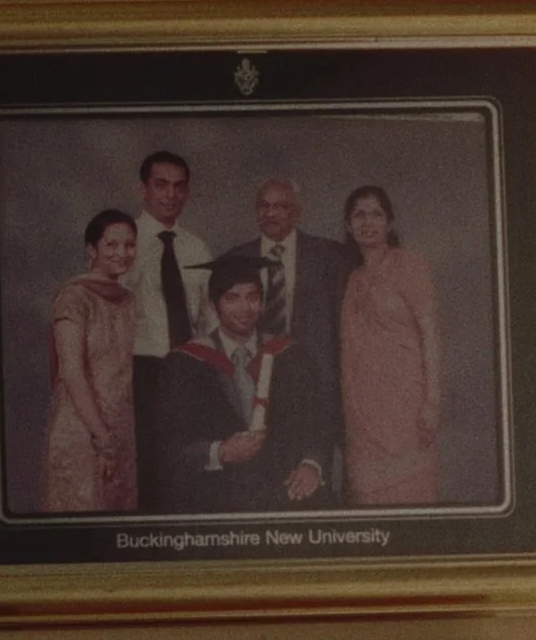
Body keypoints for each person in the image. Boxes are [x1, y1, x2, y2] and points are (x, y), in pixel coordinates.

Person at [137, 251, 331, 514]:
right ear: (213, 305)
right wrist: (221, 451)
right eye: (232, 298)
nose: (245, 309)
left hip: (284, 490)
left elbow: (317, 423)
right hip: (214, 495)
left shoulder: (290, 355)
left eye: (253, 297)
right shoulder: (184, 363)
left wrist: (311, 464)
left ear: (263, 303)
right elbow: (166, 443)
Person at [221, 179, 357, 490]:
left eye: (280, 206)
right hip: (257, 383)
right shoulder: (235, 258)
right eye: (263, 206)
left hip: (321, 383)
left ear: (296, 213)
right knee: (262, 477)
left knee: (324, 476)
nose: (270, 213)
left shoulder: (330, 256)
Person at [338, 184, 444, 506]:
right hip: (362, 413)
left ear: (390, 222)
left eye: (376, 214)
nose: (367, 222)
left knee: (411, 502)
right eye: (358, 215)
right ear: (347, 225)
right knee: (368, 506)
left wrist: (432, 402)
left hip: (405, 407)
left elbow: (430, 333)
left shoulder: (410, 265)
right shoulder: (352, 277)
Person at [122, 151, 212, 494]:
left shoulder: (196, 248)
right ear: (142, 189)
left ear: (187, 192)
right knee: (148, 467)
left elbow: (207, 318)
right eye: (161, 185)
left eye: (179, 187)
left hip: (188, 369)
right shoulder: (125, 244)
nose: (170, 195)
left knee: (187, 466)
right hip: (141, 369)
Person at [40, 210, 140, 512]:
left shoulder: (128, 299)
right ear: (91, 249)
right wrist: (101, 436)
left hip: (121, 430)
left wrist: (114, 440)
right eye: (111, 245)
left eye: (129, 245)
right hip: (81, 430)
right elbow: (71, 372)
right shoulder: (73, 298)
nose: (122, 253)